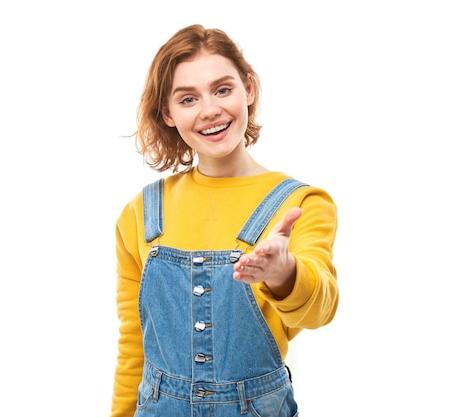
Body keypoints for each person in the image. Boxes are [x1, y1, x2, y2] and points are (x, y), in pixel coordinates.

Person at [110, 24, 339, 417]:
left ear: (248, 89)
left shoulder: (300, 203)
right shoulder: (141, 212)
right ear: (167, 113)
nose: (210, 109)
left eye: (222, 89)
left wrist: (285, 273)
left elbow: (319, 311)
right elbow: (135, 341)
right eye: (187, 99)